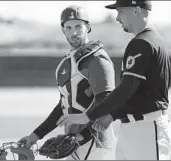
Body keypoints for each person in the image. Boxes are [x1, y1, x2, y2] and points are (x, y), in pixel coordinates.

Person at [56, 0, 171, 160]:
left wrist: (88, 116)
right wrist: (112, 115)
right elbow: (137, 92)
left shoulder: (142, 43)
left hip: (147, 128)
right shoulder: (150, 40)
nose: (118, 18)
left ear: (136, 10)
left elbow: (127, 88)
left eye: (121, 12)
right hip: (135, 128)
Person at [18, 5, 116, 160]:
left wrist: (81, 137)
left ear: (88, 27)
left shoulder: (97, 59)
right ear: (63, 30)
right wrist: (35, 136)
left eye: (78, 26)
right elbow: (63, 107)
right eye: (68, 27)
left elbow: (105, 104)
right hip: (74, 141)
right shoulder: (68, 62)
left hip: (94, 143)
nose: (74, 32)